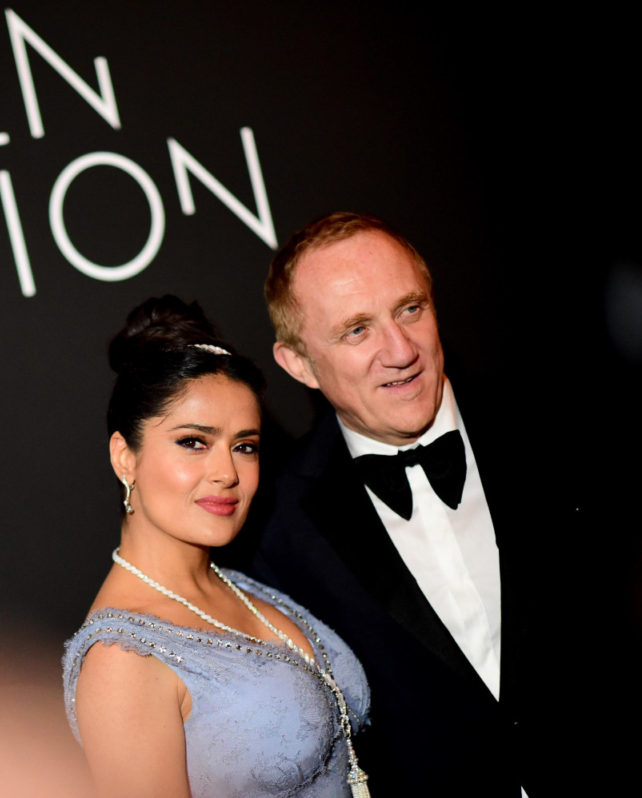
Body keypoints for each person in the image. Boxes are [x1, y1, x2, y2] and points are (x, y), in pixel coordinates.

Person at [252, 213, 552, 797]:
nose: (400, 350)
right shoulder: (277, 526)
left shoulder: (552, 428)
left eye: (410, 309)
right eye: (357, 330)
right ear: (299, 364)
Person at [62, 296, 372, 798]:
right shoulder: (122, 661)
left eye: (244, 446)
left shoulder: (241, 583)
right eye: (193, 442)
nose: (227, 473)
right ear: (125, 457)